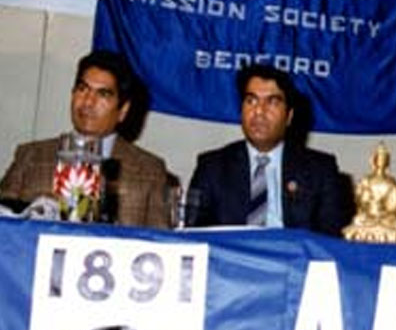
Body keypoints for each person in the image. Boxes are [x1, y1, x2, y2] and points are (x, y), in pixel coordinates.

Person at [0, 51, 170, 228]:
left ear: (123, 110)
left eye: (103, 94)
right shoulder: (31, 156)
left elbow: (160, 239)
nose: (88, 102)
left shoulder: (149, 171)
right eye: (82, 89)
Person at [187, 64, 352, 235]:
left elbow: (329, 240)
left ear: (289, 117)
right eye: (251, 101)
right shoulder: (212, 167)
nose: (259, 111)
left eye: (272, 102)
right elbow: (193, 236)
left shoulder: (321, 171)